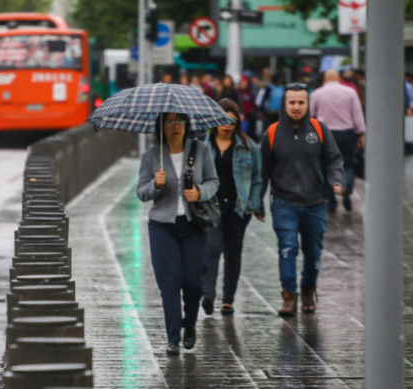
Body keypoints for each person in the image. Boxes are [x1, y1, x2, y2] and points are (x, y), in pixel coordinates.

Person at [257, 83, 345, 317]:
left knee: (312, 252)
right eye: (291, 102)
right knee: (287, 247)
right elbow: (263, 170)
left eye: (300, 102)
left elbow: (334, 160)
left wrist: (337, 181)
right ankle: (288, 296)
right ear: (284, 104)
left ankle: (308, 289)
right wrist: (257, 200)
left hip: (315, 203)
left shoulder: (319, 129)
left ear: (308, 104)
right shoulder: (273, 133)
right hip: (283, 202)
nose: (296, 107)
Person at [137, 112, 219, 356]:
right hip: (162, 226)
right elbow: (141, 193)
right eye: (170, 122)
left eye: (180, 121)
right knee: (169, 282)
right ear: (162, 126)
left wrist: (200, 192)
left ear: (187, 124)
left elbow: (214, 181)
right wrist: (155, 185)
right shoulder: (151, 156)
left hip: (194, 225)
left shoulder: (201, 150)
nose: (176, 126)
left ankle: (190, 323)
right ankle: (173, 337)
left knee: (194, 281)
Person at [201, 99, 262, 316]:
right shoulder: (204, 147)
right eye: (222, 120)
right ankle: (208, 295)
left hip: (238, 209)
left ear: (237, 121)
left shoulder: (249, 147)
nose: (227, 125)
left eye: (232, 120)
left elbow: (257, 178)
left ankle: (228, 300)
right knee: (212, 249)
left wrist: (254, 205)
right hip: (211, 207)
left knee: (233, 253)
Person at [310, 69, 366, 213]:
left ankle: (331, 202)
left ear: (324, 80)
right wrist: (361, 133)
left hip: (324, 134)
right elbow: (357, 113)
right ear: (339, 78)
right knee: (348, 163)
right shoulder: (350, 92)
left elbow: (310, 115)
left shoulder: (317, 93)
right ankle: (346, 185)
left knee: (326, 166)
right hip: (346, 134)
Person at [237, 75, 258, 141]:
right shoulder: (237, 91)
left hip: (250, 117)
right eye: (244, 81)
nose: (245, 83)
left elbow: (253, 103)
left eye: (246, 82)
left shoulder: (250, 92)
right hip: (241, 118)